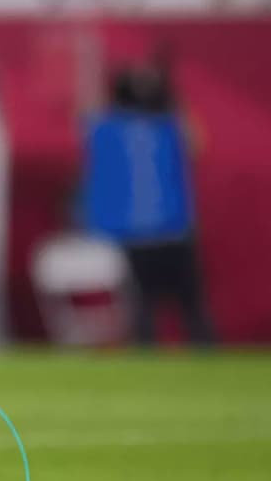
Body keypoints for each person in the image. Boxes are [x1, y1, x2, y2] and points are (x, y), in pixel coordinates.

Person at [81, 57, 216, 346]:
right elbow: (87, 106)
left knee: (192, 310)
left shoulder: (168, 127)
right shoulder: (107, 128)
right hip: (131, 239)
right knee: (141, 313)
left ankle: (205, 357)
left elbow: (197, 142)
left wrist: (171, 97)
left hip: (172, 235)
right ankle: (147, 357)